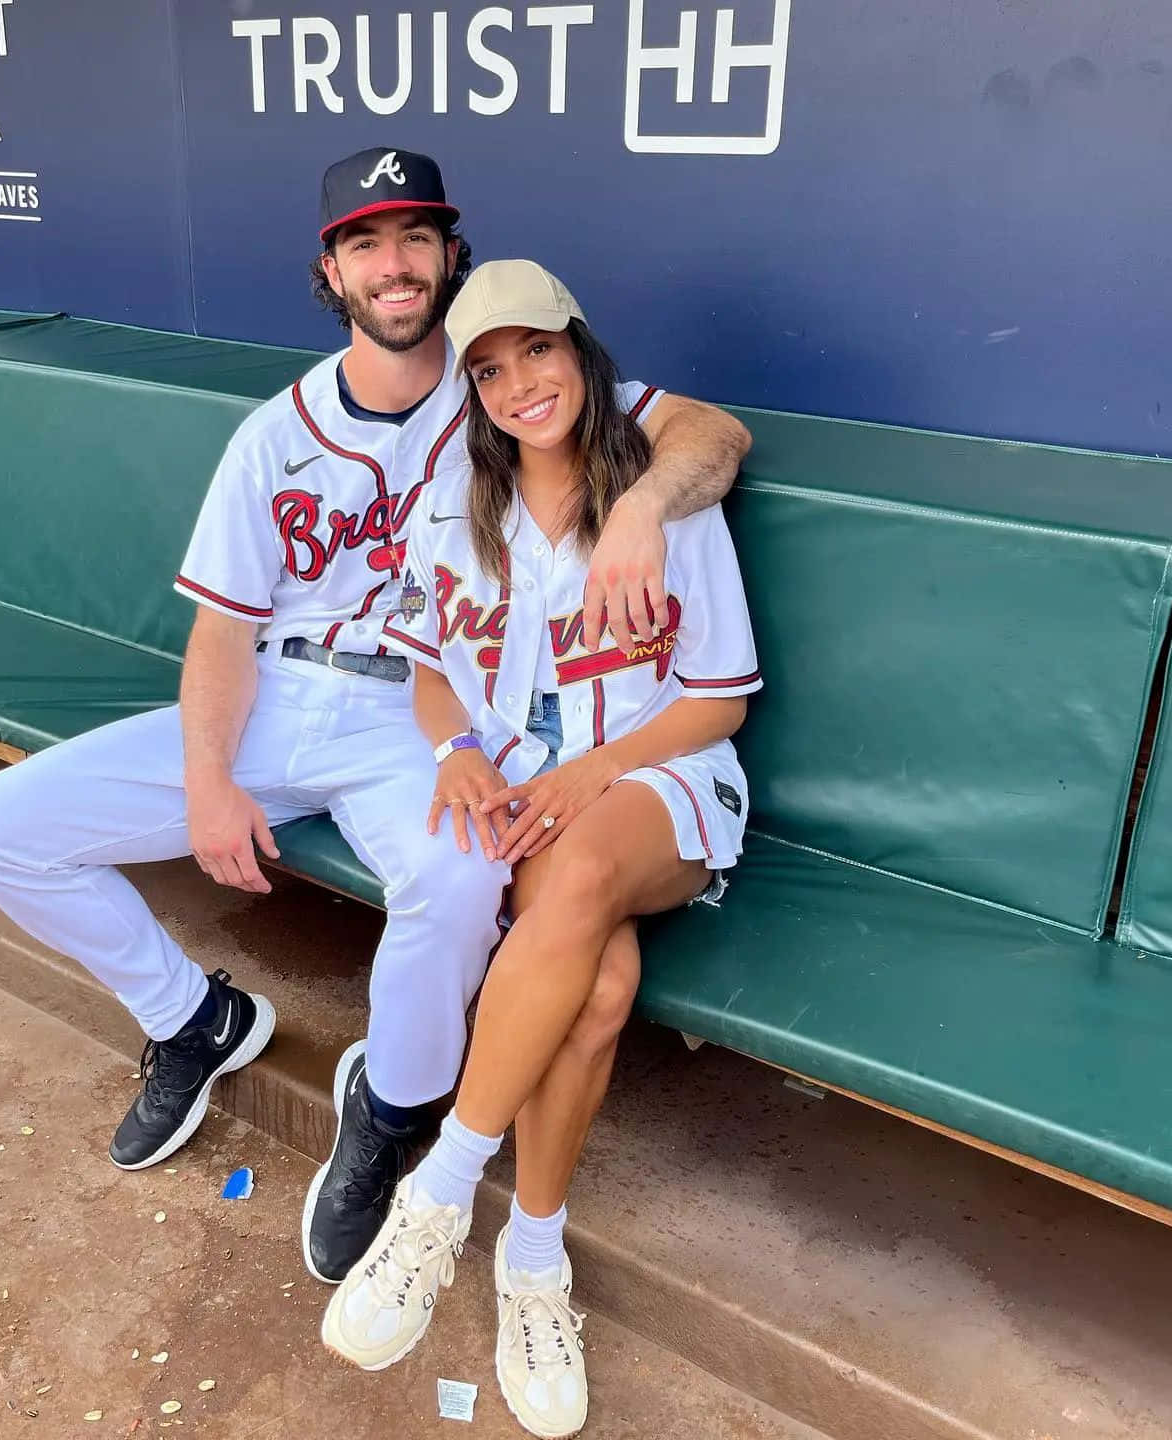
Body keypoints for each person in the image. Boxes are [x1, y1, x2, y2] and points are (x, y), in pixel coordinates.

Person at [0, 149, 752, 1291]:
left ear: (451, 256)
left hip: (423, 712)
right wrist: (213, 776)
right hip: (282, 696)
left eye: (416, 235)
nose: (394, 262)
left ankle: (394, 1108)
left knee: (466, 882)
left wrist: (646, 514)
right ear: (332, 271)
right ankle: (191, 1020)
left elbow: (711, 436)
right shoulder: (275, 433)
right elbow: (223, 632)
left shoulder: (519, 394)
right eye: (366, 241)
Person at [321, 260, 762, 1438]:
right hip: (520, 783)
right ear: (469, 392)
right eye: (490, 367)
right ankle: (532, 1260)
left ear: (582, 349)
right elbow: (426, 666)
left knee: (583, 868)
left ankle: (440, 1192)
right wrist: (459, 746)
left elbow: (716, 700)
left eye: (539, 350)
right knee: (602, 985)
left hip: (658, 777)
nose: (522, 383)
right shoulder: (458, 500)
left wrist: (577, 779)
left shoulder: (666, 498)